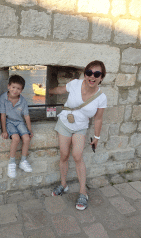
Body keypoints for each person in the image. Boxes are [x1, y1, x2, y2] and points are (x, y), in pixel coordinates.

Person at [49, 60, 107, 210]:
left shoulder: (101, 97)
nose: (92, 77)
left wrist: (97, 137)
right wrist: (47, 91)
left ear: (101, 77)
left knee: (77, 155)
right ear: (85, 74)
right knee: (63, 154)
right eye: (89, 73)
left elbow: (98, 119)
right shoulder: (75, 84)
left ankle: (83, 191)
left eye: (97, 74)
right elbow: (60, 90)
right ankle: (63, 184)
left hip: (80, 128)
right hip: (64, 124)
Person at [0, 74, 33, 178]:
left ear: (22, 90)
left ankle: (23, 161)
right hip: (9, 122)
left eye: (18, 88)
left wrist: (30, 130)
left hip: (19, 122)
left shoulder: (22, 100)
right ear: (8, 86)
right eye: (13, 87)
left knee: (26, 138)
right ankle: (12, 163)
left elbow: (26, 116)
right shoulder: (3, 98)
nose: (15, 90)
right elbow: (3, 115)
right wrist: (4, 130)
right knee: (16, 138)